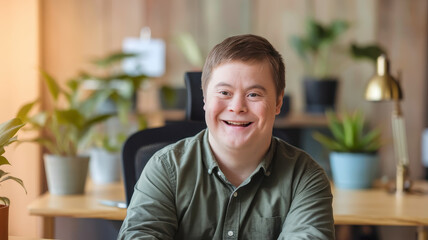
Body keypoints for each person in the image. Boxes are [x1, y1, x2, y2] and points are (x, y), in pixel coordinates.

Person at [118, 34, 334, 239]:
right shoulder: (165, 169)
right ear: (204, 98)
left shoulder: (305, 178)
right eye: (224, 93)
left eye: (253, 94)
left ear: (278, 102)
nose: (237, 107)